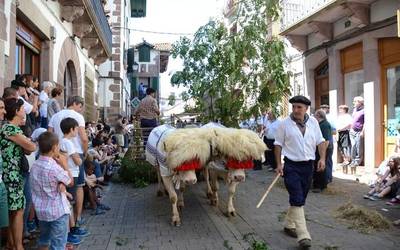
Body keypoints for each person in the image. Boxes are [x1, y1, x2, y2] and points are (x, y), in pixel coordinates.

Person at [274, 95, 327, 249]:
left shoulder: (313, 122)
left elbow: (321, 141)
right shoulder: (284, 124)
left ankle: (288, 224)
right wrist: (278, 164)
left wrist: (322, 158)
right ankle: (303, 235)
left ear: (306, 109)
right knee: (297, 196)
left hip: (308, 166)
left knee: (301, 197)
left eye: (299, 107)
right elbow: (277, 144)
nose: (296, 110)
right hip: (291, 167)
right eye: (294, 107)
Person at [0, 98, 36, 250]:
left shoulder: (11, 129)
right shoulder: (10, 129)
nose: (24, 111)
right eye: (22, 108)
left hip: (12, 174)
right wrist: (27, 142)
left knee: (14, 211)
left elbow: (27, 148)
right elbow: (31, 147)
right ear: (16, 111)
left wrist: (26, 143)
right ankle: (18, 246)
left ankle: (12, 244)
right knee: (17, 211)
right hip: (12, 174)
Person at [48, 96, 89, 227]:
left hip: (58, 155)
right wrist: (85, 152)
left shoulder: (55, 116)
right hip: (75, 155)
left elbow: (49, 135)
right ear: (75, 104)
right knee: (79, 186)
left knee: (62, 189)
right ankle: (77, 219)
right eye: (80, 106)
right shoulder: (77, 117)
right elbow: (84, 138)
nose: (81, 110)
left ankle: (68, 222)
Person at [30, 132, 73, 250]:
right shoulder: (54, 168)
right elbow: (70, 182)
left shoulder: (35, 165)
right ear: (54, 148)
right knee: (58, 244)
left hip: (41, 212)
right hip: (57, 211)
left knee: (44, 240)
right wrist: (65, 165)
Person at [59, 117, 89, 244]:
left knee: (70, 202)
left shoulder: (62, 141)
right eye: (76, 129)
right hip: (72, 173)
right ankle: (70, 231)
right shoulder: (68, 143)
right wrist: (81, 160)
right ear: (71, 129)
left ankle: (73, 228)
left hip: (69, 173)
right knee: (70, 202)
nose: (77, 131)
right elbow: (77, 160)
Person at [312, 109, 333, 192]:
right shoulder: (320, 124)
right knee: (318, 165)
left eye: (315, 115)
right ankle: (318, 184)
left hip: (325, 148)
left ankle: (321, 185)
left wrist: (322, 154)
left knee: (322, 166)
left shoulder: (324, 125)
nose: (314, 117)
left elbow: (326, 140)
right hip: (320, 148)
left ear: (318, 116)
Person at [349, 96, 365, 174]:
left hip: (359, 131)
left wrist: (363, 131)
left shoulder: (364, 110)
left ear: (360, 102)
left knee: (358, 147)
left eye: (355, 101)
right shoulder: (354, 110)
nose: (354, 103)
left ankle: (357, 161)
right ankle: (353, 160)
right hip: (352, 131)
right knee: (353, 145)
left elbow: (365, 122)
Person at [336, 105, 352, 173]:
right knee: (340, 146)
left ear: (344, 110)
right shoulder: (339, 117)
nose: (339, 110)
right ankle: (344, 159)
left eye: (340, 109)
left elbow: (349, 124)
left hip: (345, 132)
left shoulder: (347, 116)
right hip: (339, 133)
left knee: (345, 146)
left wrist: (341, 128)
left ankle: (347, 160)